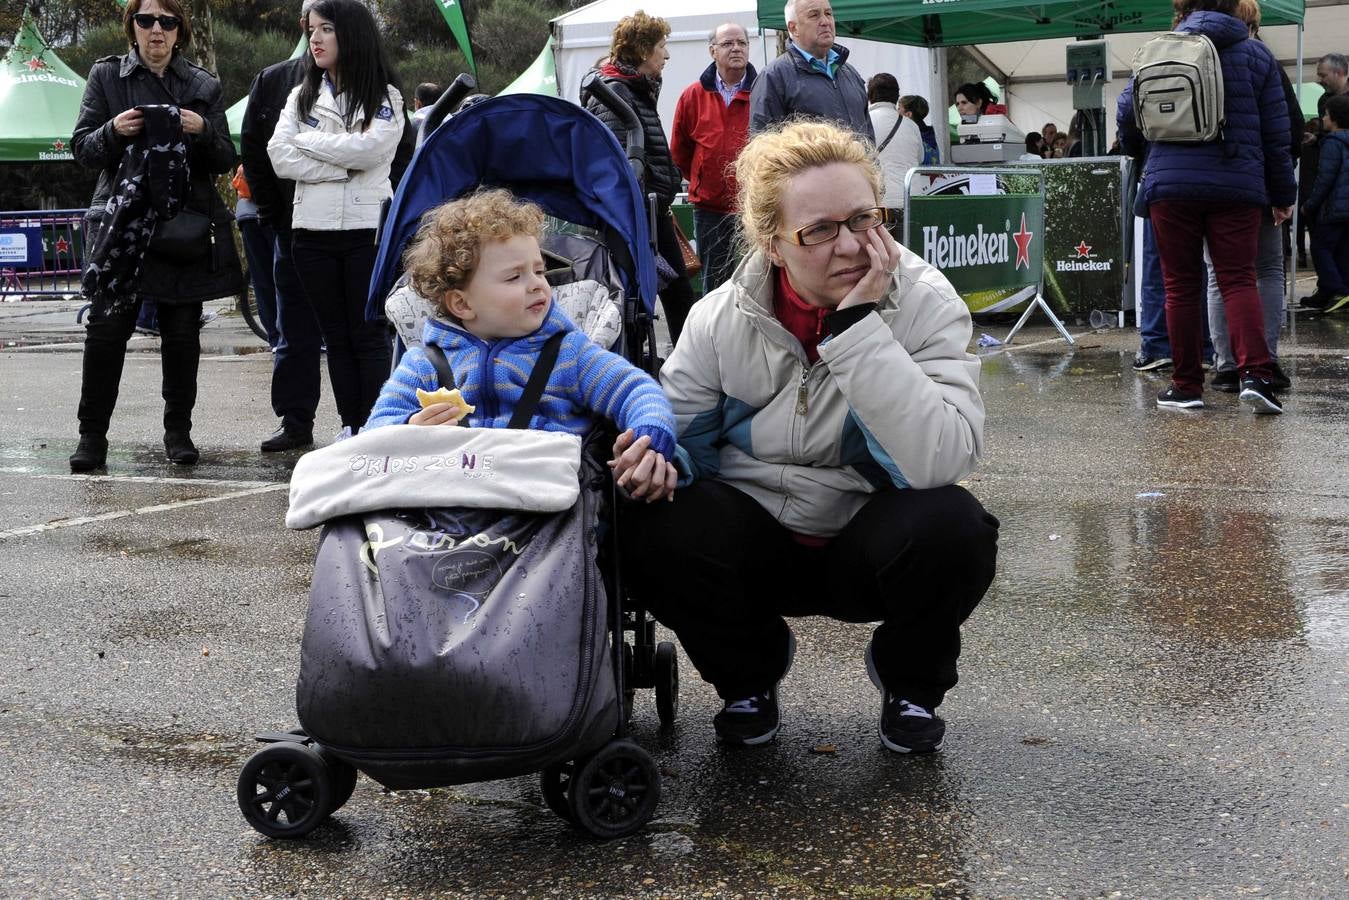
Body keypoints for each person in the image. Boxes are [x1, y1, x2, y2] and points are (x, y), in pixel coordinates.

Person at [612, 120, 999, 754]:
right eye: (819, 230)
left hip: (865, 541)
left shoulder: (925, 301)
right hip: (752, 544)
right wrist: (654, 457)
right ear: (771, 242)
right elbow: (678, 435)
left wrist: (856, 333)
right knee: (643, 516)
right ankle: (747, 676)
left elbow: (942, 458)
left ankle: (911, 685)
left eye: (863, 219)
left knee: (955, 527)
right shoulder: (720, 318)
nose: (849, 245)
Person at [363, 190, 678, 493]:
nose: (537, 285)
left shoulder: (568, 353)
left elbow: (634, 389)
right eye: (515, 277)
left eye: (540, 270)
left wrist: (650, 432)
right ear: (462, 304)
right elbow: (376, 433)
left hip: (542, 503)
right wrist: (411, 430)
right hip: (448, 503)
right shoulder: (425, 366)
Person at [68, 0, 242, 472]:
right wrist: (112, 130)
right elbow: (81, 149)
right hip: (120, 226)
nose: (156, 30)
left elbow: (225, 157)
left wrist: (203, 129)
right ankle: (92, 437)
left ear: (180, 31)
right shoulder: (107, 77)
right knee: (105, 332)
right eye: (146, 20)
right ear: (133, 29)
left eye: (166, 21)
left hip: (180, 226)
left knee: (182, 336)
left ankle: (178, 433)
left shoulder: (202, 84)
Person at [1118, 0, 1295, 415]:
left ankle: (1186, 386)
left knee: (1181, 286)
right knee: (1238, 278)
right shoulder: (1256, 54)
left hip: (1171, 185)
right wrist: (1282, 193)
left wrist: (1145, 157)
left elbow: (1127, 113)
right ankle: (1257, 376)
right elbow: (1277, 132)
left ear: (1183, 8)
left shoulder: (1159, 48)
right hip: (1237, 183)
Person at [268, 0, 404, 440]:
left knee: (368, 335)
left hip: (367, 233)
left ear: (351, 33)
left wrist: (309, 141)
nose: (315, 38)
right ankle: (351, 426)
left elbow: (372, 151)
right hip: (311, 234)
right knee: (335, 338)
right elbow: (278, 156)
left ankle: (377, 427)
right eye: (312, 30)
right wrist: (341, 166)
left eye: (326, 29)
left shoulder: (386, 96)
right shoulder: (300, 94)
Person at [1205, 0, 1303, 391]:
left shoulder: (1197, 56)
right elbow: (1287, 132)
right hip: (1255, 185)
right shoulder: (1263, 60)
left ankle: (1225, 363)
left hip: (1203, 186)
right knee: (1264, 270)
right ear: (1254, 23)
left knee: (1217, 275)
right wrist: (1283, 192)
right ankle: (1264, 361)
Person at [584, 11, 697, 347]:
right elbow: (619, 163)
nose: (667, 54)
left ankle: (686, 364)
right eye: (662, 46)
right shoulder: (617, 90)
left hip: (649, 210)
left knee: (669, 295)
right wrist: (649, 195)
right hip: (638, 214)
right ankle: (685, 367)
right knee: (653, 298)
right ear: (643, 49)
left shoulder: (632, 88)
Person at [242, 0, 322, 452]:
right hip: (292, 229)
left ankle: (367, 418)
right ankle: (295, 421)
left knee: (359, 330)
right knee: (294, 331)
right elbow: (254, 150)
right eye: (314, 21)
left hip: (356, 233)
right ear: (303, 24)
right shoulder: (274, 80)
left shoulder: (371, 80)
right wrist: (273, 216)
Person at [671, 22, 757, 296]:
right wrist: (702, 179)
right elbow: (680, 152)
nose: (736, 49)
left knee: (757, 278)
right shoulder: (692, 96)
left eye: (741, 43)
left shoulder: (764, 90)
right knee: (715, 281)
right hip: (710, 208)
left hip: (755, 206)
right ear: (713, 51)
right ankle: (716, 336)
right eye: (728, 43)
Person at [748, 0, 872, 141]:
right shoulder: (773, 77)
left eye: (828, 13)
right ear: (793, 28)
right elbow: (762, 150)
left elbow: (868, 139)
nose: (825, 21)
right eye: (814, 15)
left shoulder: (850, 73)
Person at [1302, 53, 1349, 308]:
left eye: (1323, 75)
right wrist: (1317, 138)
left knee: (1325, 245)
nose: (1319, 80)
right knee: (1340, 246)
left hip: (1334, 191)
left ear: (1339, 73)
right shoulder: (1324, 101)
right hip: (1335, 189)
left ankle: (1337, 288)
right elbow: (1327, 133)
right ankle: (1333, 290)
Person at [866, 72, 925, 235]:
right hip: (910, 200)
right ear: (896, 96)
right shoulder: (912, 126)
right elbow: (920, 158)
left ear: (869, 95)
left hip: (878, 203)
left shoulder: (863, 121)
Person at [232, 165, 280, 349]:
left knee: (263, 279)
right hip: (273, 212)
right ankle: (281, 335)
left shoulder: (251, 141)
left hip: (249, 212)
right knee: (286, 277)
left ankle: (275, 337)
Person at [900, 94, 941, 165]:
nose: (896, 112)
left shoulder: (911, 136)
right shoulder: (930, 133)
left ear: (909, 114)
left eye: (899, 109)